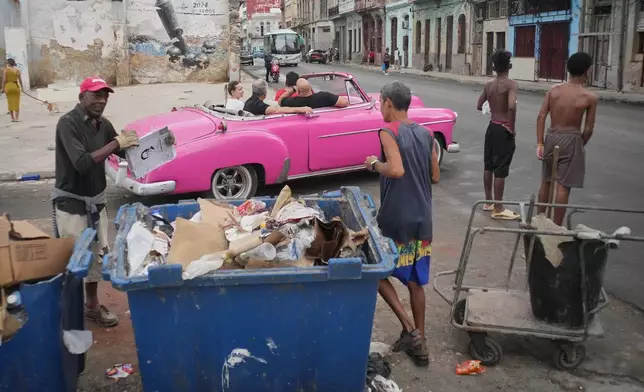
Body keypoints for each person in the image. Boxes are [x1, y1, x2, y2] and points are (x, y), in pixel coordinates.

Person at [52, 77, 174, 327]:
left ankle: (92, 307)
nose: (102, 100)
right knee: (74, 262)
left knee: (97, 258)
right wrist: (116, 142)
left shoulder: (103, 125)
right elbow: (82, 163)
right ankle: (69, 313)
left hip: (97, 203)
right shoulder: (68, 124)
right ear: (81, 97)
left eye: (105, 95)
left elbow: (123, 151)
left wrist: (161, 144)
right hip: (72, 205)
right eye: (96, 95)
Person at [364, 80, 440, 367]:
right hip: (423, 218)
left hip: (397, 217)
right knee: (415, 282)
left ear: (387, 102)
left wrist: (374, 164)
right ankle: (421, 346)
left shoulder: (388, 131)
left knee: (376, 271)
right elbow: (435, 176)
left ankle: (410, 330)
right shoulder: (426, 133)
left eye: (380, 103)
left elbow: (395, 169)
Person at [536, 52, 597, 226]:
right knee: (563, 185)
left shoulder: (554, 91)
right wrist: (580, 143)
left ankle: (539, 221)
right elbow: (588, 128)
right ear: (586, 71)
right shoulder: (589, 97)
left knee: (546, 180)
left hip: (552, 136)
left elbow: (541, 116)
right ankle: (555, 226)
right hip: (571, 138)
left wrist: (540, 142)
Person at [476, 50, 519, 220]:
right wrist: (511, 126)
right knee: (501, 169)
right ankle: (499, 207)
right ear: (509, 66)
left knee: (489, 165)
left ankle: (488, 202)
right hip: (503, 128)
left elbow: (479, 105)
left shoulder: (489, 85)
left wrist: (492, 106)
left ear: (494, 67)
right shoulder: (511, 85)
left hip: (492, 127)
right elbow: (512, 106)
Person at [243, 79, 312, 116]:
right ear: (265, 92)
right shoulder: (259, 105)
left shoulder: (248, 102)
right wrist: (300, 109)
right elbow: (278, 110)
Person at [279, 78, 350, 109]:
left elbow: (280, 100)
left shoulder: (293, 102)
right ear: (310, 87)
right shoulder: (324, 97)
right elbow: (345, 102)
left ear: (298, 91)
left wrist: (293, 90)